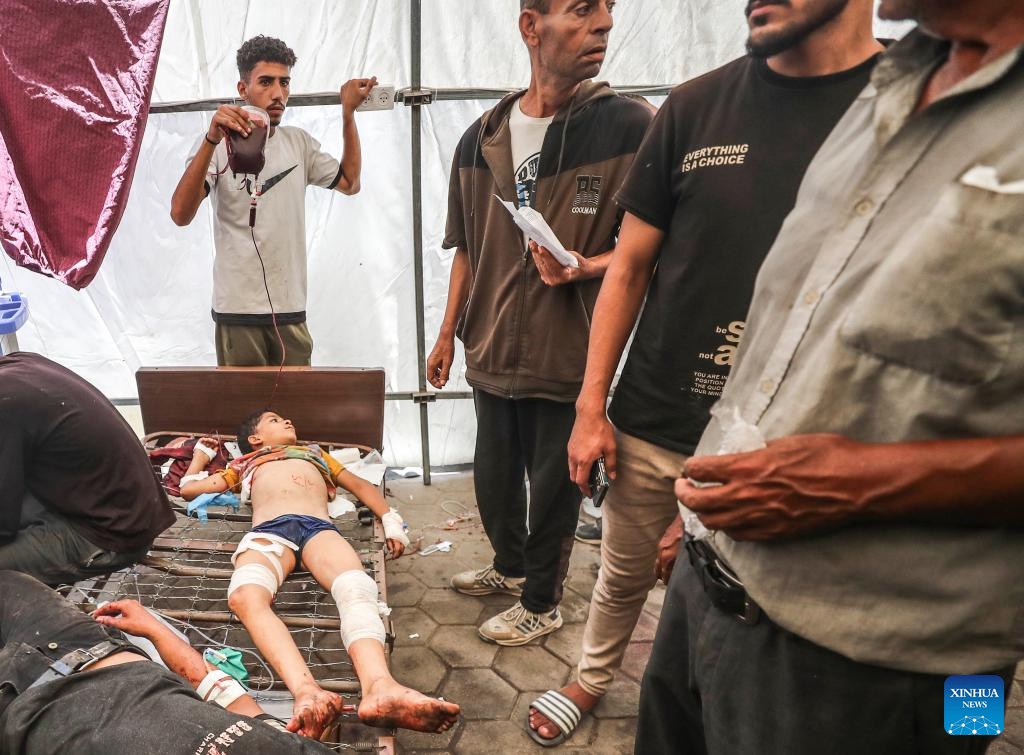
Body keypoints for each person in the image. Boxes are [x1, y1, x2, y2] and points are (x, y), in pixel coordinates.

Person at [637, 0, 1024, 753]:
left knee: (962, 730)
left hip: (891, 664)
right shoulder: (890, 86)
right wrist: (691, 519)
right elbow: (798, 346)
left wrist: (860, 482)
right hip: (706, 588)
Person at [527, 0, 886, 744]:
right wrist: (591, 408)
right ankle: (593, 677)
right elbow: (629, 264)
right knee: (625, 572)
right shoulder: (696, 106)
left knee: (761, 615)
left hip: (804, 451)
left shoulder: (913, 115)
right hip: (657, 417)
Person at [427, 0, 652, 648]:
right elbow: (466, 246)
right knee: (495, 480)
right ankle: (507, 565)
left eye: (607, 10)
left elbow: (652, 244)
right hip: (491, 345)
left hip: (566, 352)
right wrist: (447, 334)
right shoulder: (481, 137)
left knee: (554, 489)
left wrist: (587, 265)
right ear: (531, 26)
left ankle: (541, 600)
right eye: (582, 10)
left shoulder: (630, 127)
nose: (604, 24)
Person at [179, 410, 460, 736]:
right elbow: (191, 489)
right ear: (255, 439)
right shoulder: (245, 463)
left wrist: (390, 519)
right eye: (274, 420)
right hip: (270, 531)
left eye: (286, 418)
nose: (287, 421)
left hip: (318, 530)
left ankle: (380, 686)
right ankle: (307, 691)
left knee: (357, 588)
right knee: (244, 596)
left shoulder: (315, 454)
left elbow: (358, 484)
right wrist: (201, 456)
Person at [170, 35, 376, 367]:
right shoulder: (217, 145)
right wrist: (211, 138)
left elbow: (350, 183)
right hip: (237, 311)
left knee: (290, 416)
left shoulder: (299, 144)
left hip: (290, 310)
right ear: (243, 88)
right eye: (266, 82)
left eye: (284, 83)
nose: (278, 94)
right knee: (246, 415)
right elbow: (180, 214)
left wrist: (348, 115)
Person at [0, 569, 339, 753]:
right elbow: (230, 698)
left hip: (24, 713)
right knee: (10, 581)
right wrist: (154, 630)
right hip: (94, 651)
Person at [0, 351, 175, 586]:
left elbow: (3, 525)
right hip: (115, 503)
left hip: (113, 532)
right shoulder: (19, 364)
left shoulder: (6, 404)